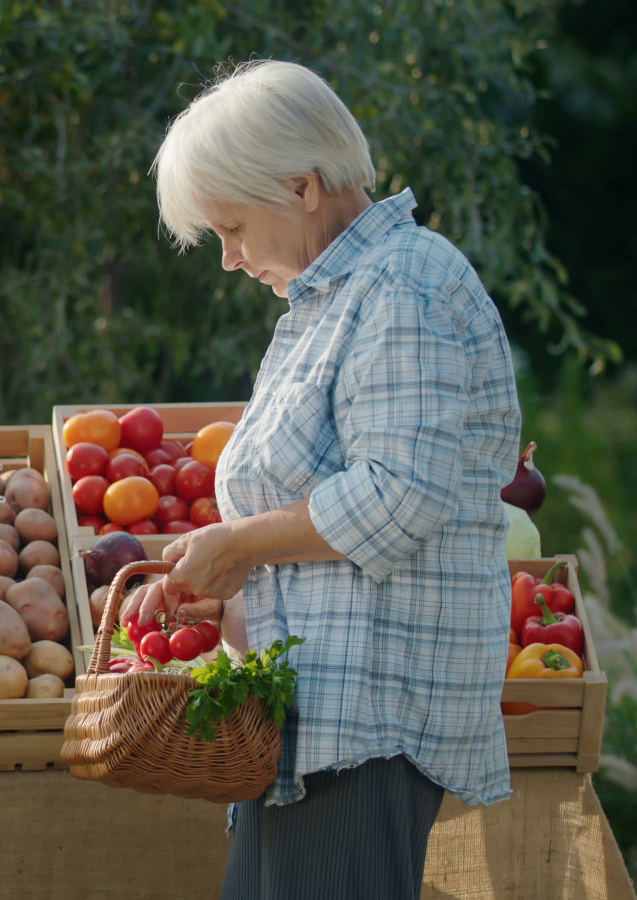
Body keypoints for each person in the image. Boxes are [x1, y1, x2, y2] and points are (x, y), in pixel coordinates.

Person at [127, 59, 521, 899]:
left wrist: (237, 544)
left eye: (232, 228)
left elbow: (399, 492)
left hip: (365, 719)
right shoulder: (335, 298)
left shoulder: (403, 284)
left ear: (302, 186)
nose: (228, 259)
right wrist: (227, 593)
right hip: (309, 723)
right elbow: (327, 541)